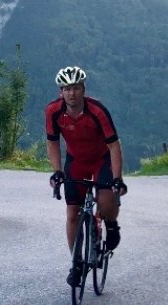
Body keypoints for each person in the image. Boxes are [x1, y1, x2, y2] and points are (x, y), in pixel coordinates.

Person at [45, 65, 128, 286]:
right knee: (72, 213)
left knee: (106, 198)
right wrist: (57, 171)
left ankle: (111, 225)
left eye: (76, 88)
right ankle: (77, 263)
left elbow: (114, 146)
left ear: (83, 89)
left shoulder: (97, 110)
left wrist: (117, 178)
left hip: (102, 159)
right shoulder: (53, 111)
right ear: (61, 92)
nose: (71, 93)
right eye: (67, 89)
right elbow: (52, 142)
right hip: (76, 162)